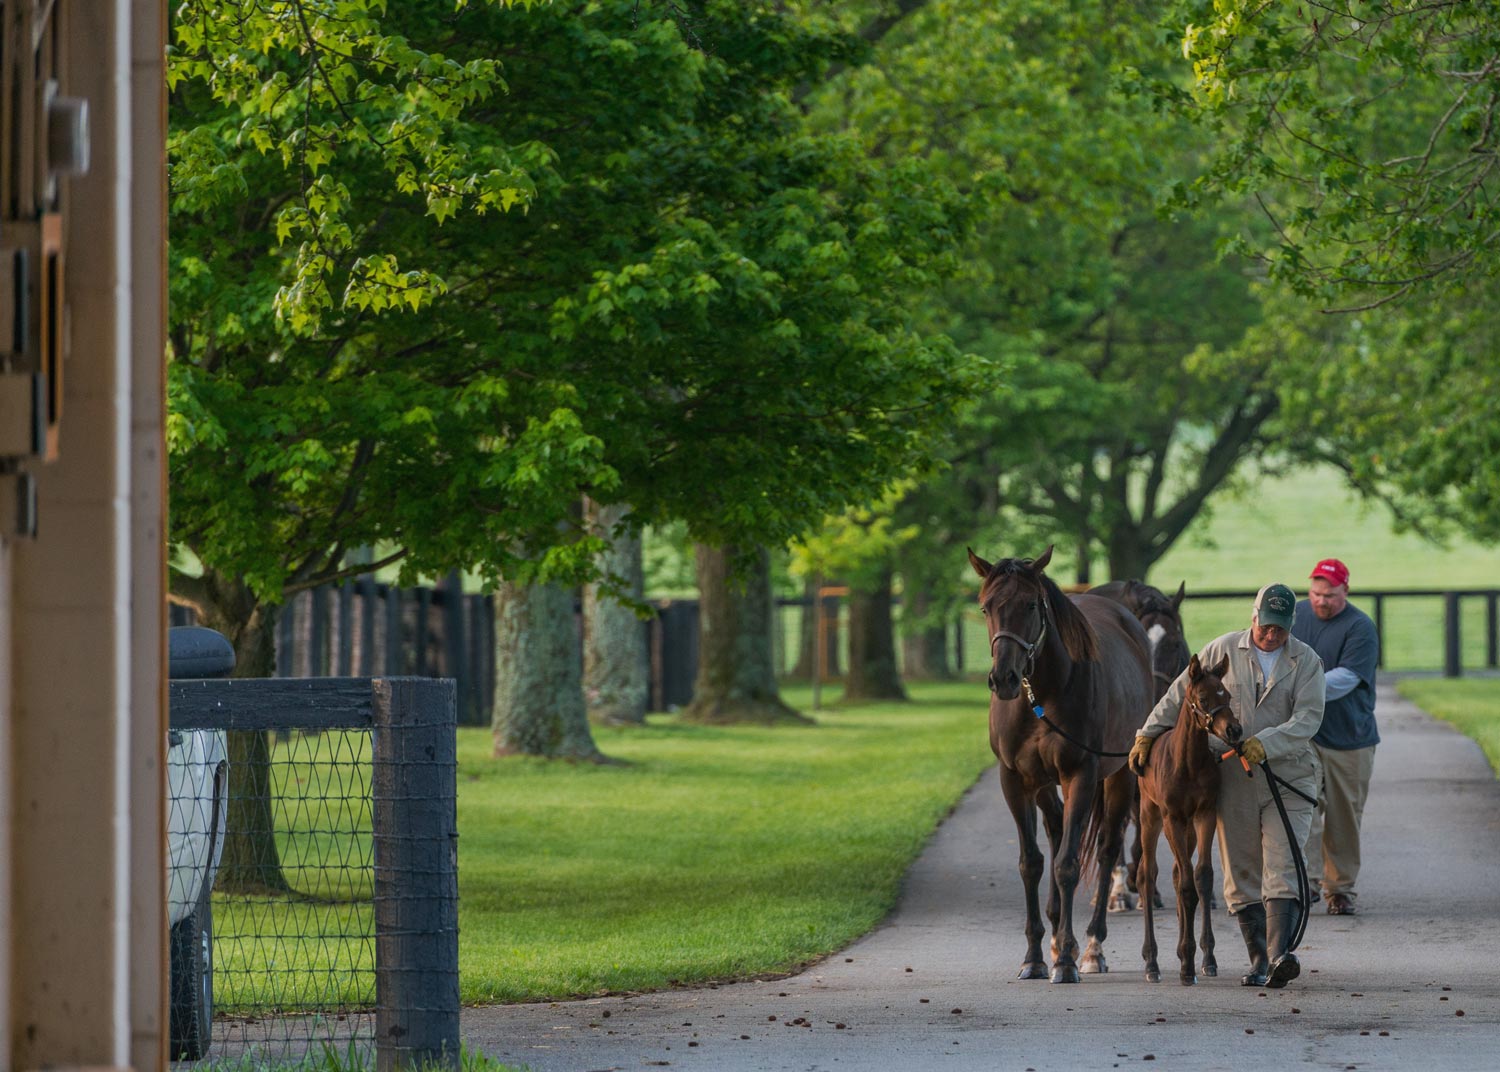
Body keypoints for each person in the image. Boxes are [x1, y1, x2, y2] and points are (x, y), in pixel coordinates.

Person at [1128, 583, 1325, 989]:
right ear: (1253, 618)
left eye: (1281, 628)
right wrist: (1146, 734)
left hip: (1289, 776)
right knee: (1241, 869)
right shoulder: (1223, 649)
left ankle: (1277, 957)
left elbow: (1308, 718)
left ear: (1291, 625)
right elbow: (1180, 693)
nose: (1273, 635)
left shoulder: (1306, 662)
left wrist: (1265, 743)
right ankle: (1257, 959)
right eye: (1267, 626)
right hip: (1234, 776)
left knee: (1285, 862)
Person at [1293, 557, 1379, 916]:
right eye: (1315, 593)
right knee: (1303, 808)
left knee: (1344, 816)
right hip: (1305, 734)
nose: (1321, 601)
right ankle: (1307, 882)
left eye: (1329, 595)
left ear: (1346, 590)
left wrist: (1297, 688)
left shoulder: (1360, 626)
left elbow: (1346, 678)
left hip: (1350, 736)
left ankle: (1340, 888)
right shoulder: (1295, 615)